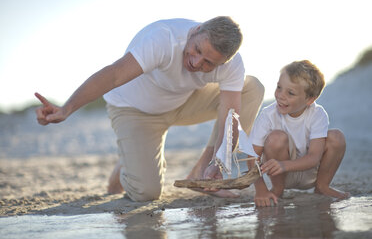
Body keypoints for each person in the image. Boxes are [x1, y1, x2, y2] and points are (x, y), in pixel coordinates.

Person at [35, 16, 265, 202]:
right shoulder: (163, 39)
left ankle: (200, 172)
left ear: (224, 62)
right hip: (135, 111)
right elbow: (114, 76)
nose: (196, 63)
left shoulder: (232, 65)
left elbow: (230, 116)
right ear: (195, 31)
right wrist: (67, 109)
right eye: (196, 50)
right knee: (146, 193)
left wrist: (219, 161)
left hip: (183, 101)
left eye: (208, 63)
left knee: (252, 87)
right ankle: (129, 157)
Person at [243, 60, 349, 207]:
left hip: (309, 172)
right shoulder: (268, 115)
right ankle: (277, 190)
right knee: (276, 138)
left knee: (336, 137)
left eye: (290, 93)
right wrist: (260, 189)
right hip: (281, 175)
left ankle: (322, 187)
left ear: (310, 99)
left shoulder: (317, 114)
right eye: (279, 87)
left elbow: (314, 157)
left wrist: (284, 165)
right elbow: (252, 156)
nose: (280, 96)